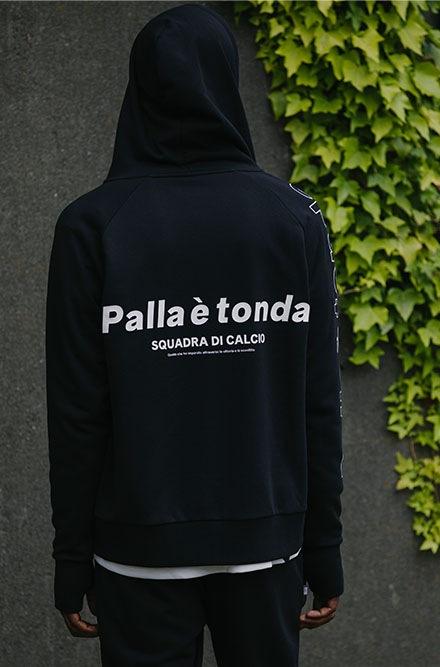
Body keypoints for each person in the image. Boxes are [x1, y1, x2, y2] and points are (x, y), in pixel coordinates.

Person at [46, 4, 344, 666]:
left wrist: (71, 561)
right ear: (227, 81)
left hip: (138, 551)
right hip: (266, 544)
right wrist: (324, 548)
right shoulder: (294, 221)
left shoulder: (91, 225)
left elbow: (75, 416)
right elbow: (318, 403)